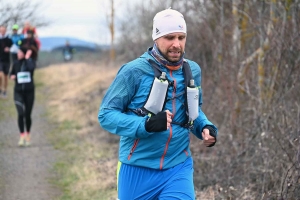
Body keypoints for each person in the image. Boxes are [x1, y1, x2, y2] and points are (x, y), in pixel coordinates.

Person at [98, 8, 218, 199]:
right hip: (137, 167)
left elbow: (194, 110)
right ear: (156, 37)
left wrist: (205, 127)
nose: (176, 44)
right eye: (170, 37)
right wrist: (145, 125)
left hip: (178, 167)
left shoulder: (192, 70)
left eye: (181, 37)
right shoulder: (133, 71)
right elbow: (106, 115)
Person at [10, 47, 36, 146]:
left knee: (27, 115)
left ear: (24, 53)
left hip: (29, 92)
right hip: (18, 92)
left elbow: (31, 68)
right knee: (20, 114)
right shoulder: (16, 63)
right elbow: (12, 73)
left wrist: (28, 58)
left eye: (20, 52)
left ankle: (28, 134)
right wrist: (12, 76)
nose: (18, 53)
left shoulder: (30, 62)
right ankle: (22, 135)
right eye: (18, 52)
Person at [0, 25, 13, 98]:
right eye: (1, 30)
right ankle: (0, 88)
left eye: (3, 30)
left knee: (5, 77)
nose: (2, 31)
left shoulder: (8, 40)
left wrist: (9, 49)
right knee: (0, 75)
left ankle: (5, 90)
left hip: (7, 60)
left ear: (5, 31)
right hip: (0, 60)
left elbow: (13, 48)